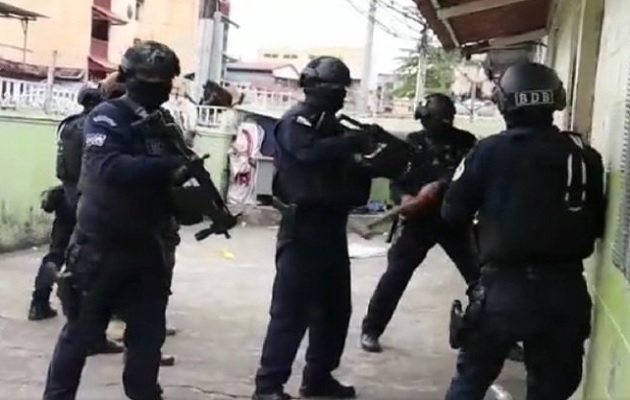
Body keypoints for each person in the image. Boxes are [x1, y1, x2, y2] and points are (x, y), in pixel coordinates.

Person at [441, 62, 605, 400]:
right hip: (565, 292)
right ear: (555, 100)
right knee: (551, 389)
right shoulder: (584, 156)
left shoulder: (487, 152)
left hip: (503, 290)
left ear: (504, 103)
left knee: (471, 382)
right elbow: (596, 223)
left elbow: (452, 213)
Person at [43, 41, 186, 400]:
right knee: (81, 333)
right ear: (129, 78)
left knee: (147, 337)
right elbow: (109, 168)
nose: (160, 87)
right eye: (152, 80)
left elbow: (182, 174)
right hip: (101, 247)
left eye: (165, 80)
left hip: (147, 248)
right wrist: (168, 168)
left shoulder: (164, 123)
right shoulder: (108, 116)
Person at [252, 56, 373, 400]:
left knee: (335, 311)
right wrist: (351, 144)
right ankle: (268, 387)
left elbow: (350, 165)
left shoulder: (335, 126)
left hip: (332, 229)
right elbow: (306, 153)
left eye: (340, 89)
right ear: (313, 87)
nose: (337, 95)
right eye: (331, 88)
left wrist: (369, 159)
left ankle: (318, 379)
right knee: (291, 313)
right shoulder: (297, 121)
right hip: (303, 229)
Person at [360, 93, 479, 353]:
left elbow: (470, 176)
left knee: (479, 277)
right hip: (418, 220)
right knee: (395, 276)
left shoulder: (466, 143)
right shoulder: (413, 143)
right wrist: (405, 199)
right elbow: (398, 178)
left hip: (453, 219)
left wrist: (440, 186)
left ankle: (497, 335)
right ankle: (371, 329)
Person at [28, 87, 124, 356]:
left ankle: (39, 301)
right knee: (92, 260)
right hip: (86, 200)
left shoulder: (68, 125)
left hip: (65, 195)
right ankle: (86, 321)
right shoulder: (96, 127)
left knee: (56, 252)